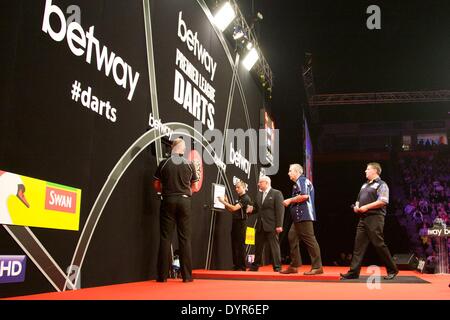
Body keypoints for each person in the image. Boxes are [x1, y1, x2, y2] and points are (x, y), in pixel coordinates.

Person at [340, 162, 399, 280]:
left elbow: (383, 201)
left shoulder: (382, 185)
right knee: (358, 246)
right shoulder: (364, 185)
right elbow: (358, 200)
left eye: (367, 169)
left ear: (375, 171)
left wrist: (366, 207)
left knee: (379, 244)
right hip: (363, 218)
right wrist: (357, 207)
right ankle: (354, 272)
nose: (365, 171)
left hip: (375, 218)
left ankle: (393, 269)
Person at [153, 138, 199, 282]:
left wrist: (167, 190)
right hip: (185, 201)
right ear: (182, 148)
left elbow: (156, 185)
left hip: (168, 200)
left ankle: (162, 277)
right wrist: (186, 192)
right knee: (185, 239)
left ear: (172, 148)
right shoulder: (189, 164)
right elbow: (195, 187)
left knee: (165, 238)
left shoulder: (164, 163)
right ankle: (187, 277)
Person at [280, 164, 323, 275]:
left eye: (290, 171)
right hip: (298, 217)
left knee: (310, 240)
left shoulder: (302, 180)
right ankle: (294, 266)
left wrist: (289, 200)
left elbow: (304, 196)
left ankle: (317, 267)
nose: (288, 173)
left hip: (304, 215)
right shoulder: (298, 183)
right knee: (292, 237)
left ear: (297, 172)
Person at [248, 176, 284, 272]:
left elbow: (280, 210)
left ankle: (277, 267)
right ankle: (255, 266)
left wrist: (279, 225)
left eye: (260, 182)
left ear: (267, 183)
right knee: (258, 247)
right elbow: (256, 208)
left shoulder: (276, 193)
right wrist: (250, 210)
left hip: (272, 225)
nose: (258, 184)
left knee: (274, 247)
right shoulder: (259, 194)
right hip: (260, 225)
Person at [218, 180, 253, 271]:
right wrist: (226, 202)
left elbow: (233, 208)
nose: (236, 189)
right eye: (236, 187)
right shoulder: (239, 198)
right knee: (234, 244)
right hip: (235, 223)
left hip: (241, 223)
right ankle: (236, 265)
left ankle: (242, 266)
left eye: (238, 187)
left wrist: (223, 202)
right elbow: (231, 209)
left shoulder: (246, 198)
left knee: (240, 245)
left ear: (244, 188)